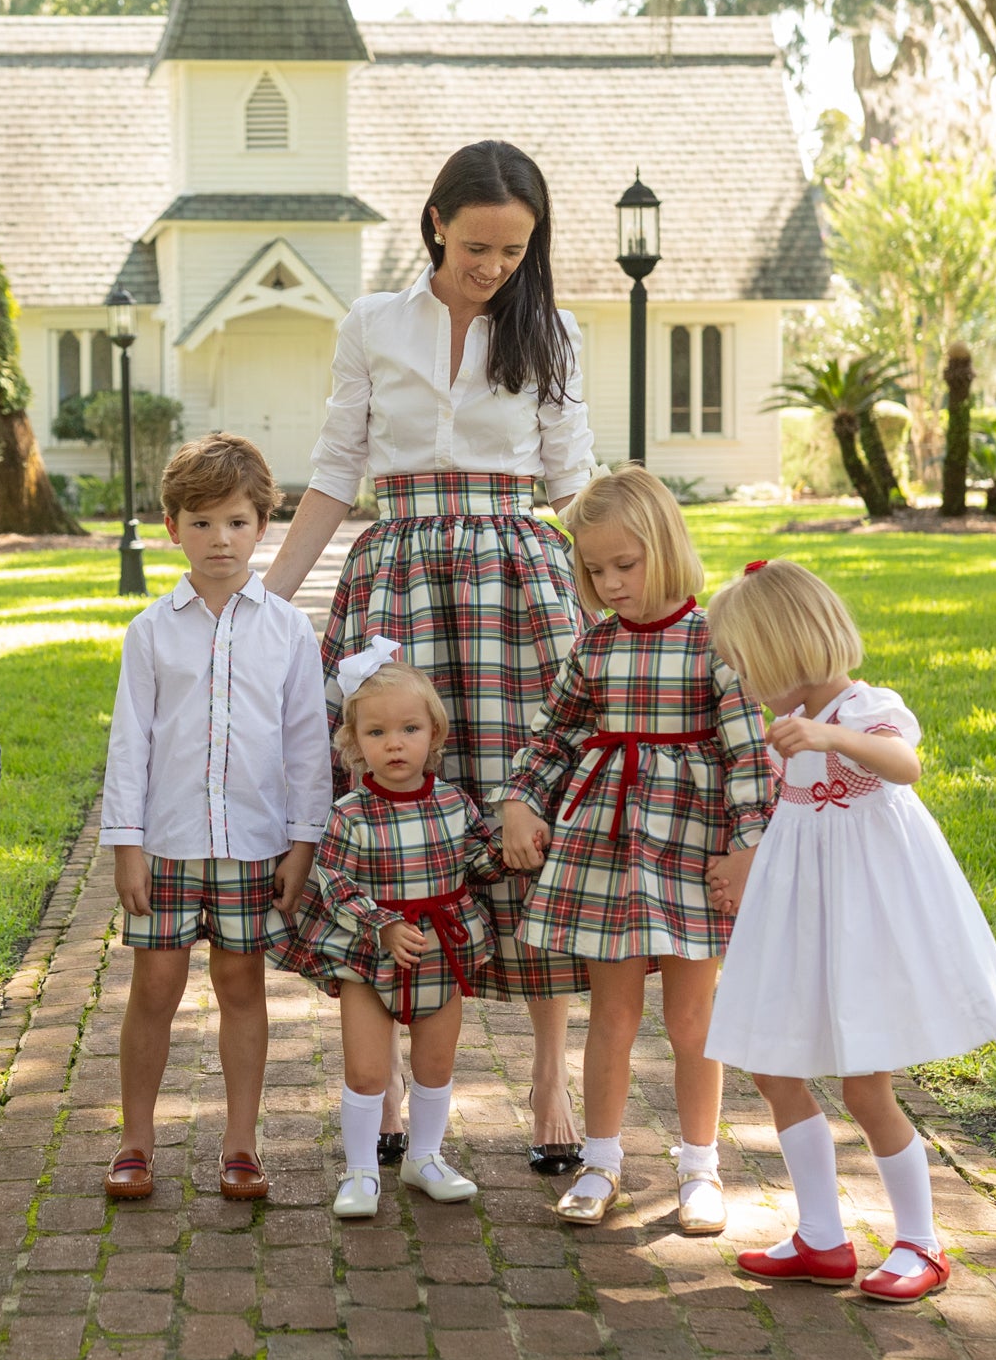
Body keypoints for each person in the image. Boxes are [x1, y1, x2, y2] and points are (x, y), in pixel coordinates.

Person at [263, 139, 595, 1175]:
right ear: (434, 224)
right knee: (384, 810)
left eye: (513, 249)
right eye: (475, 244)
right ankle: (386, 1083)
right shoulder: (371, 324)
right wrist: (266, 603)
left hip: (515, 581)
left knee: (522, 810)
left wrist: (632, 605)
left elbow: (572, 485)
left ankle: (549, 1078)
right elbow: (333, 470)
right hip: (398, 573)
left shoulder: (553, 332)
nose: (493, 264)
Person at [702, 558, 996, 1302]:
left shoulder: (863, 707)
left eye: (748, 664)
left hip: (866, 919)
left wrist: (829, 736)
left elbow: (904, 763)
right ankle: (821, 1236)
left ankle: (921, 1241)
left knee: (864, 1082)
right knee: (772, 1061)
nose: (743, 681)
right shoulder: (783, 723)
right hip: (801, 911)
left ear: (787, 649)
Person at [501, 468, 771, 1234]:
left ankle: (699, 1168)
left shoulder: (717, 639)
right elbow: (554, 736)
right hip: (605, 851)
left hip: (690, 850)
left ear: (666, 547)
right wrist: (521, 798)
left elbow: (750, 754)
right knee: (612, 1016)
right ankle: (602, 1161)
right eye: (595, 570)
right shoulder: (595, 644)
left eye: (627, 564)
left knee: (693, 1020)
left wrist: (750, 847)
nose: (611, 582)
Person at [99, 432, 332, 1204]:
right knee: (154, 991)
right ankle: (136, 1141)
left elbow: (307, 746)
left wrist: (303, 843)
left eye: (235, 521)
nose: (218, 540)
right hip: (166, 845)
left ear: (263, 524)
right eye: (200, 523)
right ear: (172, 529)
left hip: (255, 845)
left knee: (241, 987)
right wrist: (125, 844)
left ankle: (241, 1142)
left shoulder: (289, 632)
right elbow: (130, 744)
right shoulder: (151, 631)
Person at [275, 641, 508, 1217]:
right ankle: (359, 1172)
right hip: (368, 955)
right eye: (377, 733)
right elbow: (332, 880)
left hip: (438, 950)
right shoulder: (350, 812)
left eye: (409, 729)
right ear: (355, 744)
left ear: (434, 733)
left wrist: (511, 852)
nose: (395, 743)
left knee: (436, 1064)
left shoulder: (455, 802)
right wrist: (380, 924)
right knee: (367, 1069)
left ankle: (424, 1157)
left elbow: (479, 861)